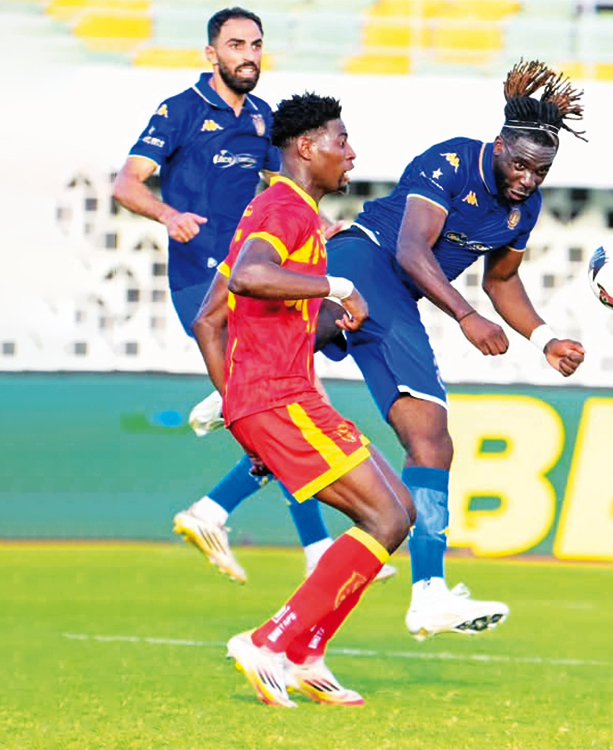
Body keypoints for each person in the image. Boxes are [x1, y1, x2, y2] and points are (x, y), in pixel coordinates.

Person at [111, 6, 392, 585]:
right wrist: (168, 214)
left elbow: (288, 187)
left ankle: (215, 504)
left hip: (257, 285)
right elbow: (126, 182)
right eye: (236, 44)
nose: (248, 54)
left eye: (256, 44)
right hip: (209, 284)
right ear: (211, 53)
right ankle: (304, 541)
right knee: (289, 401)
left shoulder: (265, 118)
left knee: (287, 406)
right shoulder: (181, 111)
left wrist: (323, 226)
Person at [325, 59, 587, 640]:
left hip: (397, 299)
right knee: (427, 430)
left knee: (431, 440)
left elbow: (502, 281)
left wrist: (544, 339)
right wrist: (465, 317)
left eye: (540, 171)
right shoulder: (452, 160)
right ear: (498, 146)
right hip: (364, 258)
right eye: (519, 164)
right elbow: (412, 250)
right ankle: (246, 374)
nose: (527, 179)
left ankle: (428, 594)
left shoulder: (526, 206)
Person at [193, 91, 415, 707]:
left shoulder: (281, 211)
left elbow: (210, 319)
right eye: (341, 141)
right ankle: (270, 642)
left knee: (397, 510)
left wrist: (324, 321)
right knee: (388, 516)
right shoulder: (285, 211)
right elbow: (248, 277)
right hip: (281, 400)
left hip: (272, 398)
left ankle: (305, 652)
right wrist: (336, 284)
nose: (351, 153)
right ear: (306, 147)